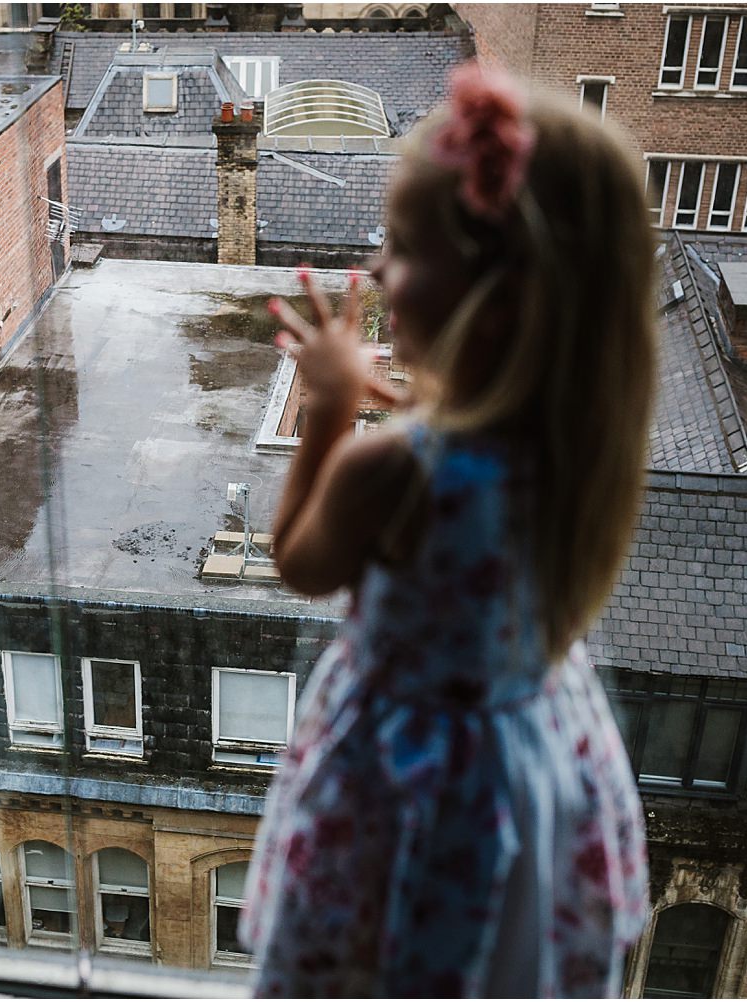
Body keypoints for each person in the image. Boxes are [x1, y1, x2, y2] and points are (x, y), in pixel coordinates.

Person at [240, 64, 654, 997]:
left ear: (492, 301)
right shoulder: (580, 447)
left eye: (403, 247)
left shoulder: (399, 471)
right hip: (531, 772)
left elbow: (299, 561)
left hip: (410, 788)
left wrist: (328, 407)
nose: (380, 271)